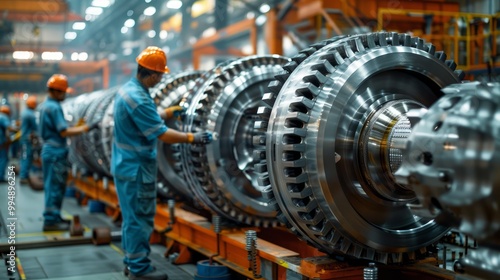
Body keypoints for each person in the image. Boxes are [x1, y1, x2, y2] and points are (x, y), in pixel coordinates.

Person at [111, 46, 212, 280]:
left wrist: (166, 112)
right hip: (136, 170)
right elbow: (162, 134)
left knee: (131, 219)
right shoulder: (139, 97)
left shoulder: (130, 90)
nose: (162, 79)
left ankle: (131, 262)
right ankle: (139, 270)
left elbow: (144, 117)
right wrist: (192, 138)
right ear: (153, 74)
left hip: (125, 166)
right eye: (161, 75)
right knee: (139, 220)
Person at [38, 74, 97, 231]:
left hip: (49, 151)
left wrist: (76, 126)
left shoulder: (45, 106)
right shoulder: (55, 107)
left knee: (53, 186)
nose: (65, 95)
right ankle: (51, 220)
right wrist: (85, 128)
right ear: (57, 91)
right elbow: (63, 132)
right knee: (55, 187)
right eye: (63, 92)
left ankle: (54, 216)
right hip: (55, 152)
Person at [20, 96, 38, 184]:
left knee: (24, 157)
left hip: (24, 138)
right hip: (27, 139)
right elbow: (36, 127)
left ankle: (24, 175)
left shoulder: (24, 112)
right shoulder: (31, 114)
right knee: (26, 157)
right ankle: (23, 176)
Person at [0, 105, 13, 182]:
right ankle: (0, 177)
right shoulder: (4, 117)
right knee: (3, 158)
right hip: (1, 142)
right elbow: (9, 128)